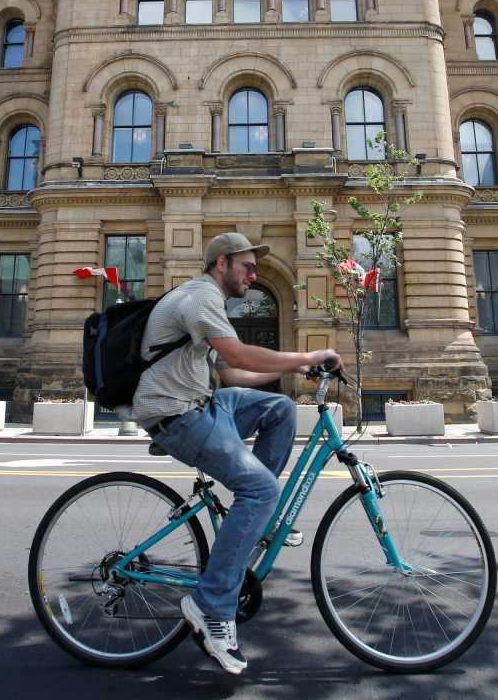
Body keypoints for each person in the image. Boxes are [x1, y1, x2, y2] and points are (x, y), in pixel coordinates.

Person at [131, 232, 342, 676]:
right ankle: (209, 605)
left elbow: (232, 373)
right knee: (262, 490)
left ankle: (253, 523)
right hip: (176, 414)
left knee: (281, 409)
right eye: (247, 265)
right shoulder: (200, 296)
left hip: (206, 403)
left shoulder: (211, 304)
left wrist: (295, 368)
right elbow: (238, 351)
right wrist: (308, 352)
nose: (254, 273)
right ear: (222, 263)